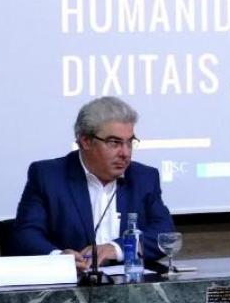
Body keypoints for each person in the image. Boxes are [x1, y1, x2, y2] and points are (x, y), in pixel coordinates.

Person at [11, 96, 175, 270]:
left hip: (131, 289)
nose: (125, 153)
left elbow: (165, 234)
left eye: (129, 142)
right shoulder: (48, 176)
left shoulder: (144, 177)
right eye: (114, 143)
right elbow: (25, 235)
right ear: (86, 141)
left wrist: (117, 248)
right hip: (69, 290)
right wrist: (59, 259)